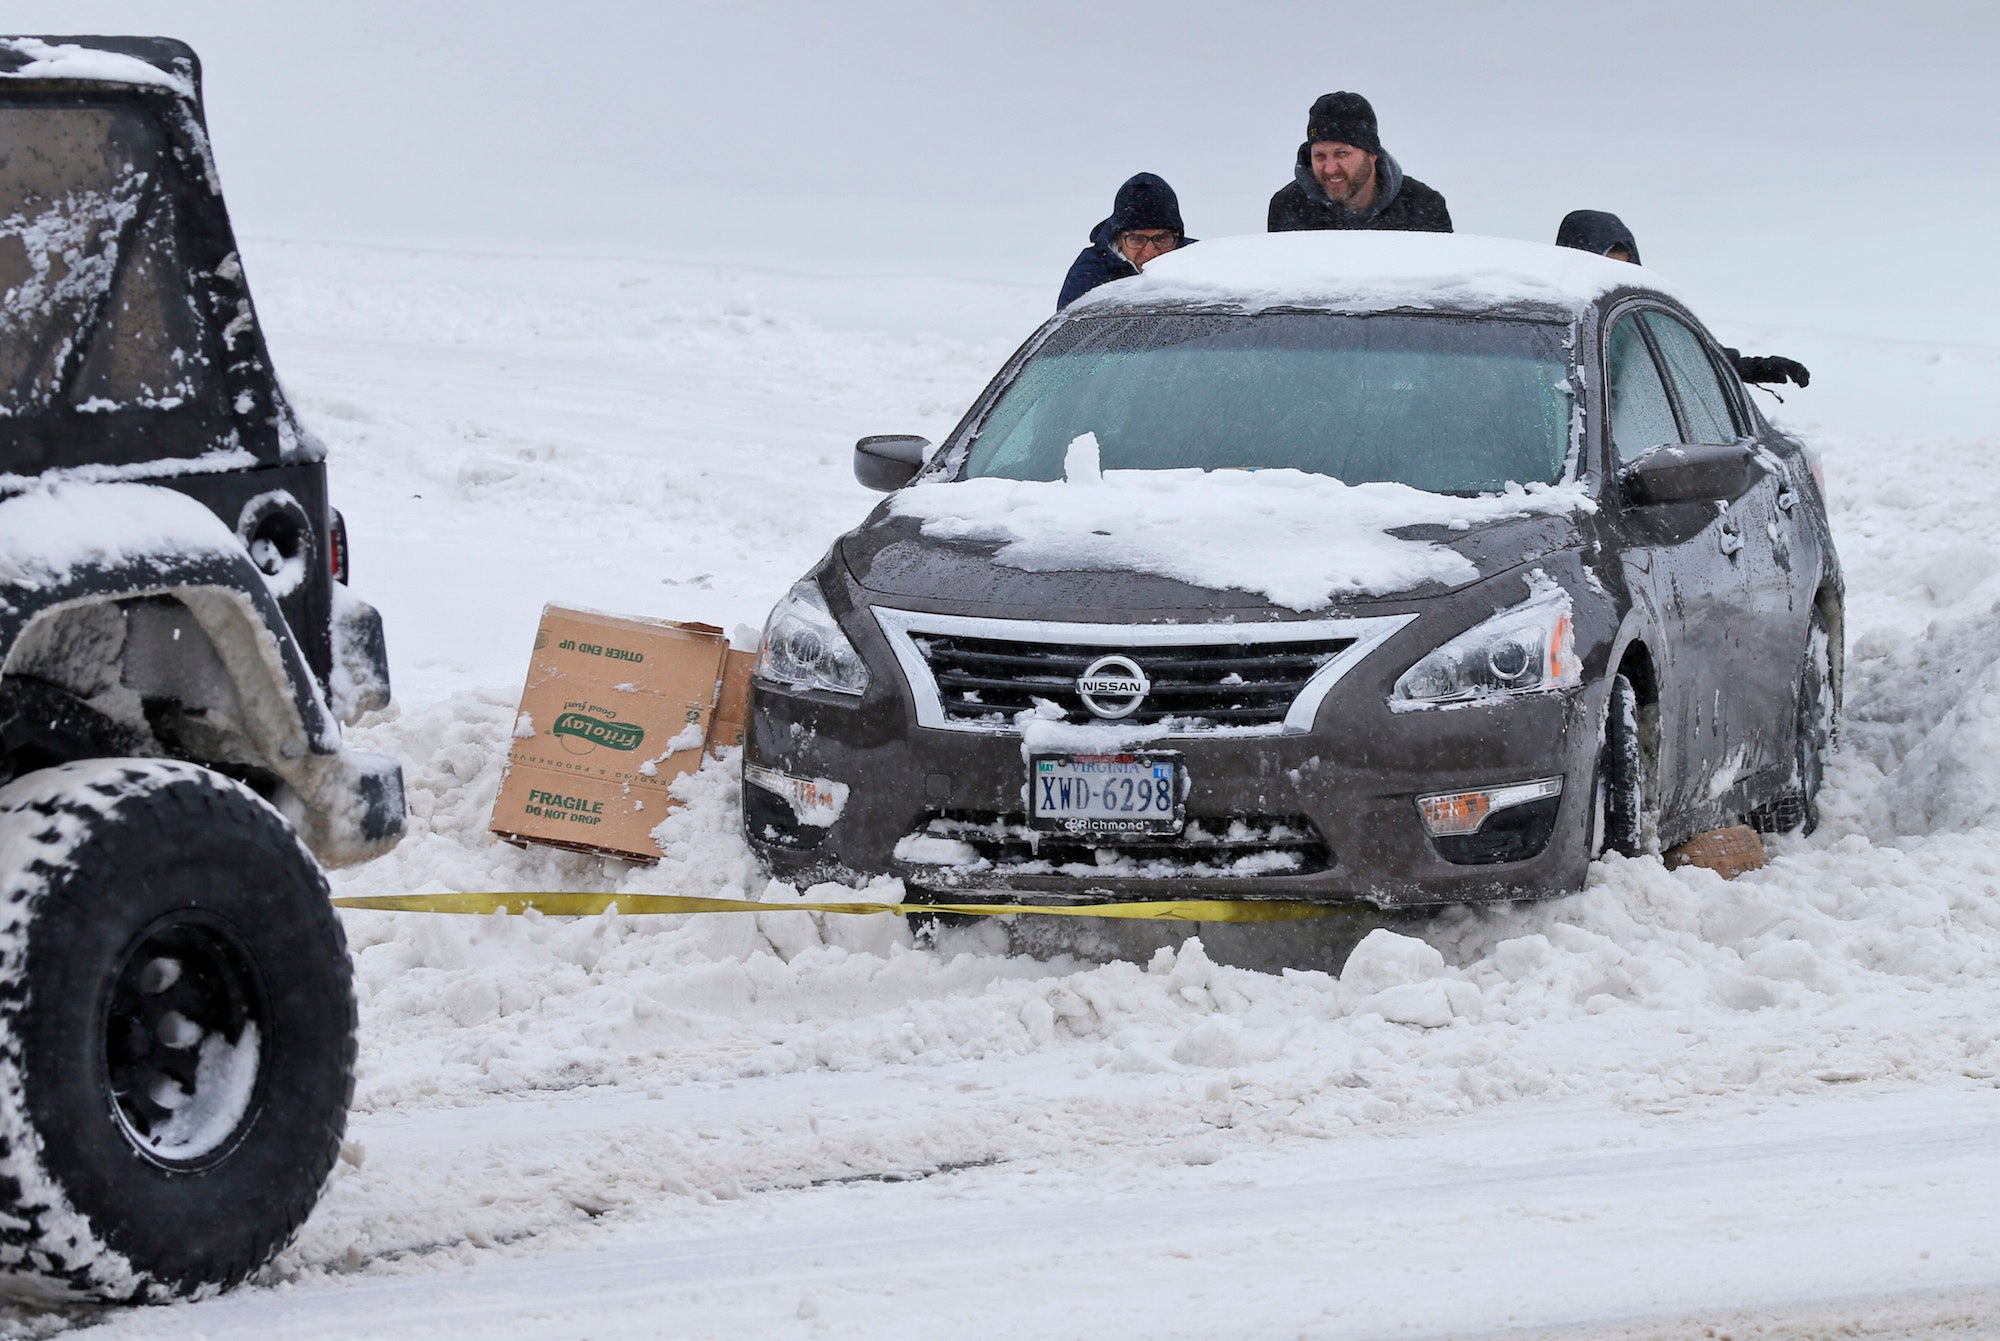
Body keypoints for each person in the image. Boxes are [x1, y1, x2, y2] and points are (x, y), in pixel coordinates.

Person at [1554, 209, 1810, 389]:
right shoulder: (1547, 323)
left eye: (1624, 268)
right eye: (1605, 265)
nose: (1615, 277)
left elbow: (1694, 359)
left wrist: (1757, 368)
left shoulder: (1635, 320)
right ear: (1579, 258)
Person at [1267, 91, 1451, 234]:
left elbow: (1443, 279)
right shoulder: (1289, 206)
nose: (1330, 169)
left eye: (1341, 154)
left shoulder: (1424, 206)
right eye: (1320, 156)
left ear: (1372, 154)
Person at [1057, 173, 1191, 309]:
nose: (1150, 253)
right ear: (1118, 239)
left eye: (1161, 238)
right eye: (1137, 239)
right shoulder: (1089, 277)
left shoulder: (1199, 263)